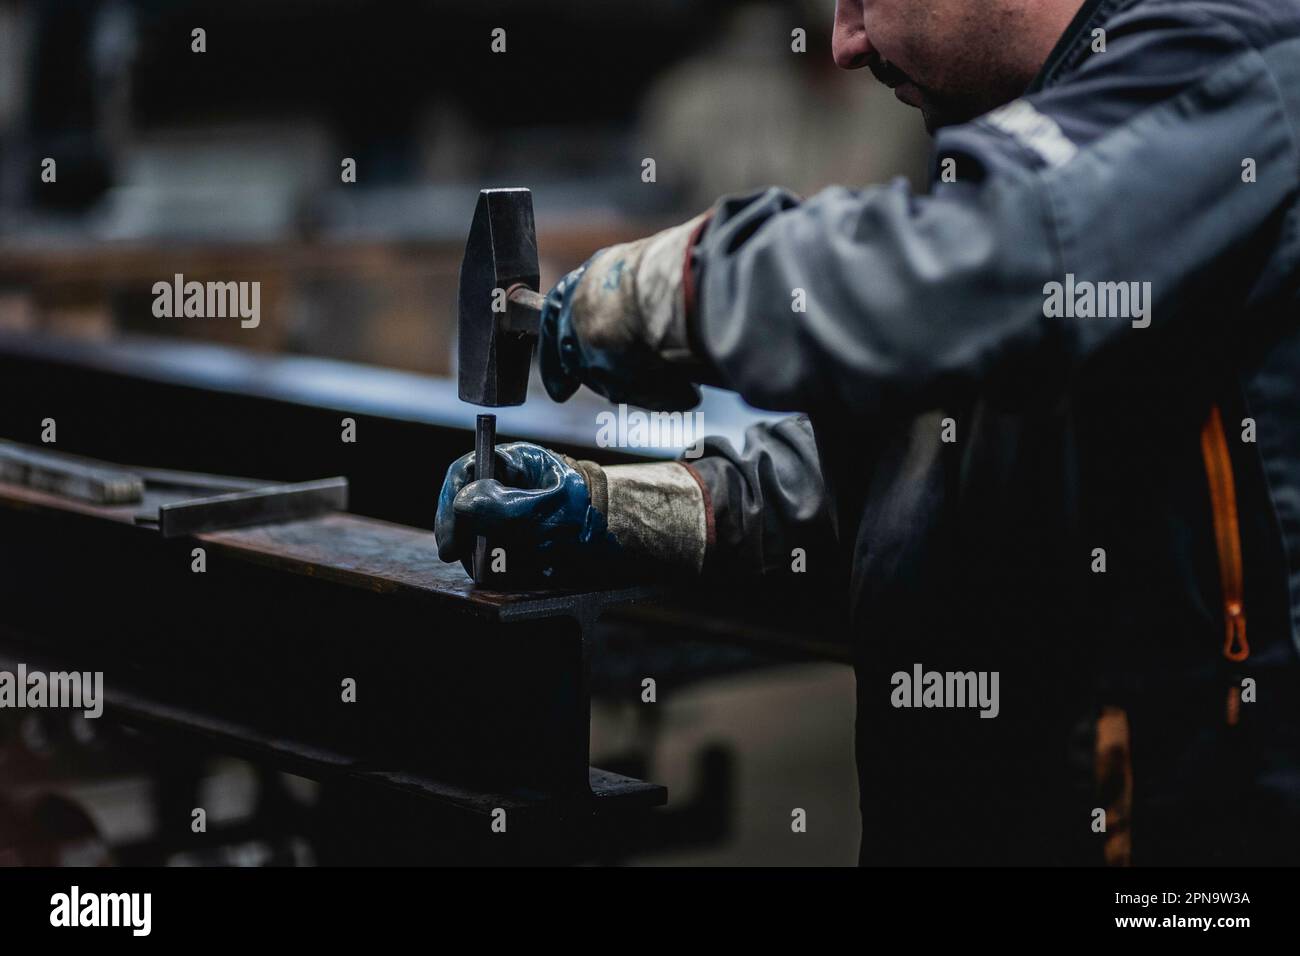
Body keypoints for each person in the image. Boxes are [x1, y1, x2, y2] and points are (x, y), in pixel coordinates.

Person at [438, 0, 1300, 865]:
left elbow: (971, 270)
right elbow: (941, 444)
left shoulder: (1236, 60)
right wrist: (650, 508)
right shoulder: (1042, 121)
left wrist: (659, 289)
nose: (844, 43)